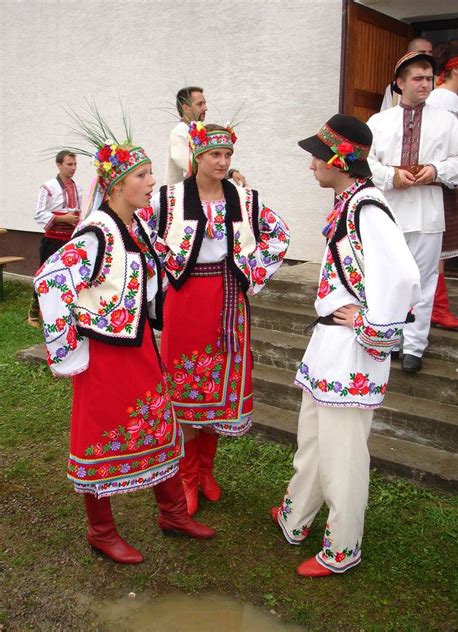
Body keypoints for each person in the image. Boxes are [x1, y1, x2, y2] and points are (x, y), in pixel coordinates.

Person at [34, 108, 216, 565]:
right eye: (144, 174)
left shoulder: (135, 227)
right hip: (104, 356)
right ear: (116, 187)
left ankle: (172, 513)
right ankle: (101, 531)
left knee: (158, 423)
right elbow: (50, 279)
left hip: (138, 349)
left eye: (152, 171)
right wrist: (67, 349)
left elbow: (153, 278)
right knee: (100, 436)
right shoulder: (97, 233)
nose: (153, 180)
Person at [271, 114, 420, 577]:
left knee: (344, 453)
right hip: (331, 346)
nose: (311, 163)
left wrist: (370, 324)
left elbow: (402, 275)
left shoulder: (366, 207)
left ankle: (343, 547)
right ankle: (296, 517)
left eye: (318, 154)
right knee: (314, 439)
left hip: (352, 348)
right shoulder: (350, 202)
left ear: (341, 160)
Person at [141, 122, 290, 515]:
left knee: (219, 387)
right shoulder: (168, 198)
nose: (222, 162)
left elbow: (280, 235)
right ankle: (188, 474)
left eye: (227, 155)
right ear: (196, 157)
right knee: (185, 384)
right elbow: (139, 230)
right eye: (214, 155)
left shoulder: (243, 197)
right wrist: (168, 264)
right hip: (184, 299)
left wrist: (250, 271)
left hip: (227, 299)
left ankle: (206, 470)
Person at [367, 52, 458, 373]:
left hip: (428, 212)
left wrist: (435, 169)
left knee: (424, 281)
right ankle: (390, 338)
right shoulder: (378, 121)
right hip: (388, 212)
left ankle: (414, 346)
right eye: (417, 78)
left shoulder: (446, 120)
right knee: (388, 278)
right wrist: (390, 176)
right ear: (400, 83)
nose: (425, 84)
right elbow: (364, 162)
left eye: (429, 78)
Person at [427, 40, 458, 328]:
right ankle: (435, 308)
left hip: (446, 180)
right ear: (455, 68)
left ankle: (436, 307)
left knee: (438, 249)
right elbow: (443, 147)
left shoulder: (451, 100)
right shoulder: (444, 100)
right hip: (443, 182)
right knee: (436, 248)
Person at [28, 151, 82, 327]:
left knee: (68, 277)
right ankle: (33, 311)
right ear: (58, 165)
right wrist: (62, 218)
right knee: (45, 274)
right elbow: (38, 213)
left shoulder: (78, 187)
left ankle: (57, 311)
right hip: (52, 240)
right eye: (69, 164)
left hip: (71, 240)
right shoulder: (48, 187)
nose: (73, 168)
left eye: (74, 164)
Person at [164, 86, 246, 186]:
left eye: (204, 103)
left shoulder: (194, 131)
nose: (205, 108)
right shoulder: (179, 134)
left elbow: (207, 167)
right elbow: (196, 168)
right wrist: (229, 173)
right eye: (199, 104)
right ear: (186, 108)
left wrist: (231, 173)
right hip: (178, 197)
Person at [380, 37, 433, 111]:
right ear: (408, 55)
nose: (427, 56)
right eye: (422, 52)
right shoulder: (393, 87)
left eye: (430, 52)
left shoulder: (440, 85)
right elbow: (386, 116)